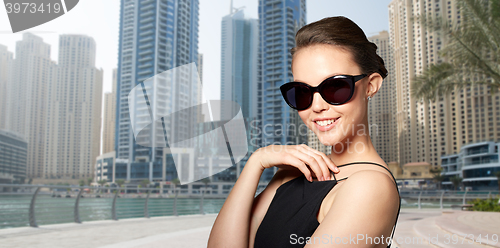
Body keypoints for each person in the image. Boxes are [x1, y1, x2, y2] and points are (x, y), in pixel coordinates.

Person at [208, 16, 401, 248]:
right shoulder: (293, 173)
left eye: (335, 87)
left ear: (370, 86)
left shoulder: (369, 188)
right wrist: (256, 161)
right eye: (302, 92)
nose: (317, 106)